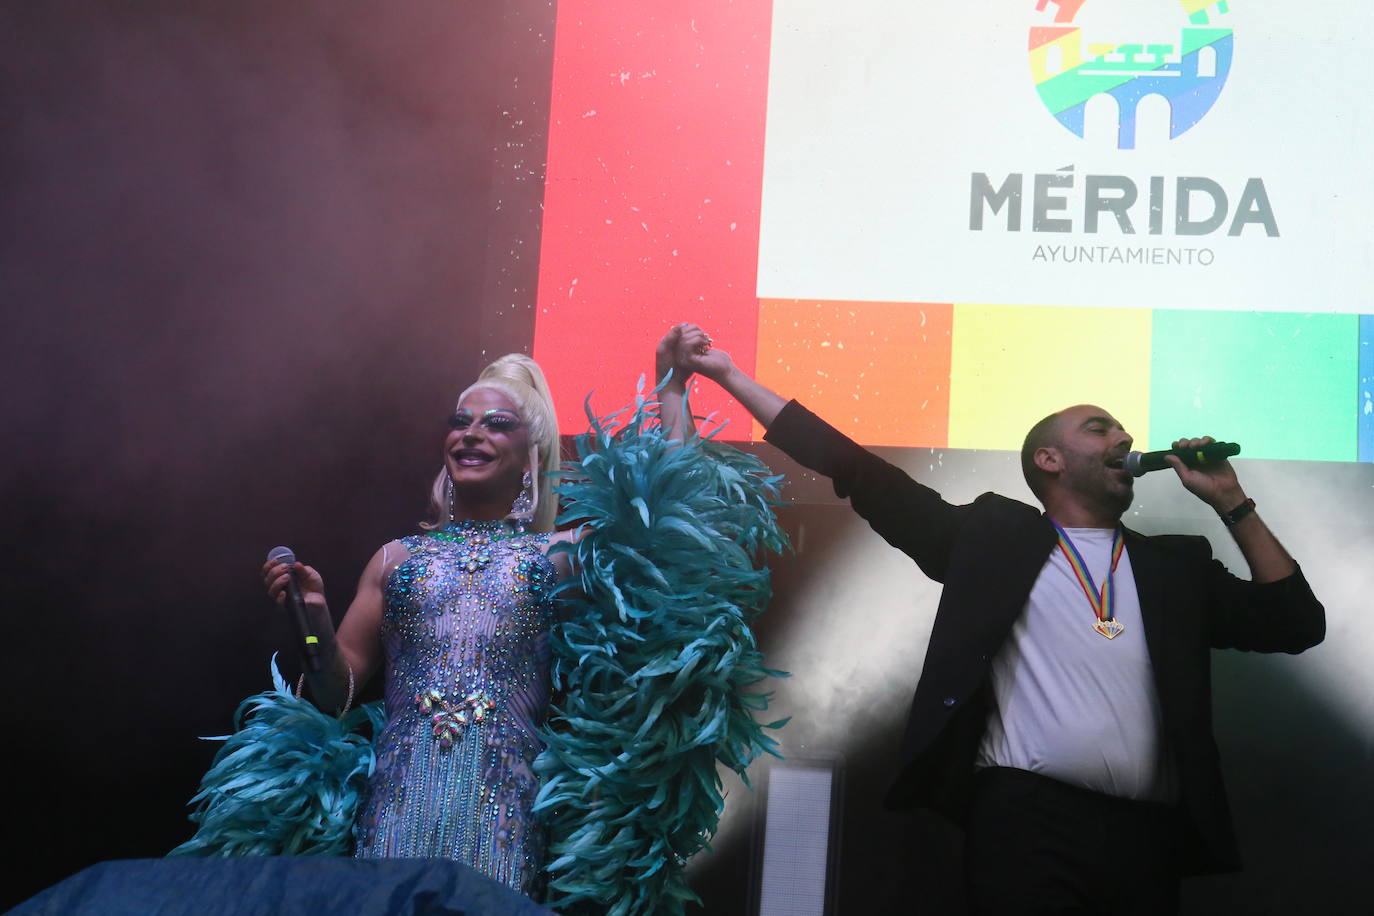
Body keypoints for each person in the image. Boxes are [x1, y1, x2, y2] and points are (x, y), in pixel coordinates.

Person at [660, 323, 1325, 915]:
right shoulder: (993, 540)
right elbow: (854, 469)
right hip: (1026, 824)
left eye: (1123, 430)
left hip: (1145, 838)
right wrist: (726, 374)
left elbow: (1294, 624)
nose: (1124, 438)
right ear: (1049, 460)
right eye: (1100, 427)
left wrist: (1232, 501)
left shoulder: (1173, 567)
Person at [261, 353, 571, 898]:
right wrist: (312, 624)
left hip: (503, 822)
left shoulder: (561, 555)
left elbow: (669, 531)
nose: (472, 434)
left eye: (497, 424)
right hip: (396, 817)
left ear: (531, 457)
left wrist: (674, 387)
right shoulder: (395, 561)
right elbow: (336, 695)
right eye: (461, 421)